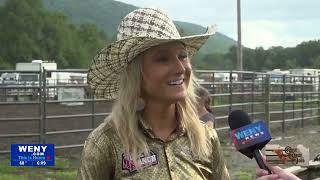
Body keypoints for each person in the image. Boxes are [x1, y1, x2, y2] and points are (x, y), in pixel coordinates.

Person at [77, 7, 230, 180]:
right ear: (136, 75)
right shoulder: (105, 143)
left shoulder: (205, 137)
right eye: (163, 59)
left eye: (182, 56)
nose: (180, 68)